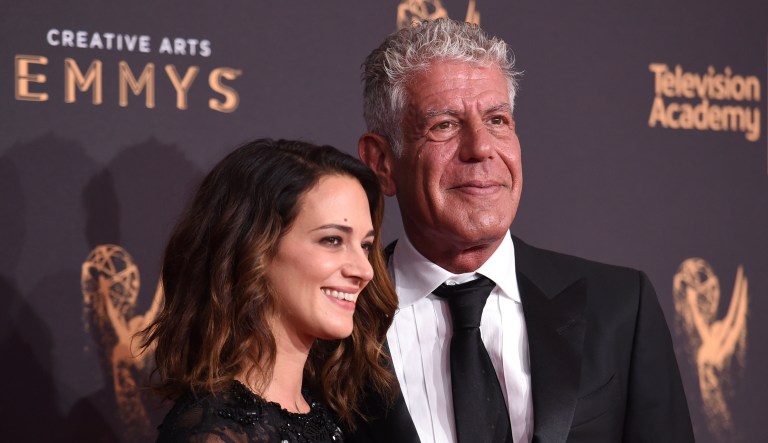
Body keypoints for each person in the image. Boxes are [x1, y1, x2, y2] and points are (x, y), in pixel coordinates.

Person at [347, 19, 694, 443]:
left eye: (497, 120)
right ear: (382, 162)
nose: (481, 148)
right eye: (445, 125)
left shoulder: (621, 305)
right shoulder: (333, 317)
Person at [139, 139, 398, 442]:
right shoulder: (216, 434)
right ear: (253, 249)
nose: (365, 270)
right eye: (332, 240)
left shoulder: (324, 415)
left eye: (365, 245)